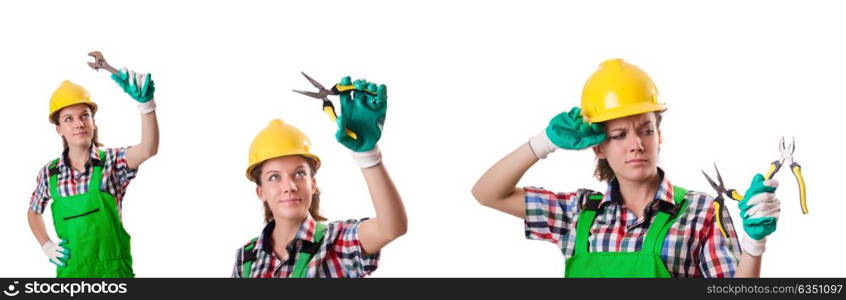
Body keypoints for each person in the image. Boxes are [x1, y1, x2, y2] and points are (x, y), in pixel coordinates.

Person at [472, 59, 780, 277]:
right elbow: (487, 193)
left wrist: (754, 245)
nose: (636, 144)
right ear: (599, 148)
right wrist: (543, 143)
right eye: (619, 135)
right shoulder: (576, 213)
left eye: (646, 130)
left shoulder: (701, 212)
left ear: (659, 136)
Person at [233, 76, 407, 278]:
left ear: (312, 184)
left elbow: (391, 228)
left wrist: (368, 156)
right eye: (274, 177)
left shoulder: (337, 242)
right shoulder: (246, 258)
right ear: (260, 191)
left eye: (299, 174)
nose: (289, 186)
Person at [27, 68, 160, 277]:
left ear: (93, 122)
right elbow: (34, 212)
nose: (79, 123)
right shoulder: (49, 174)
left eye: (84, 116)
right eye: (68, 119)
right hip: (72, 275)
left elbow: (148, 149)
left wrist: (147, 106)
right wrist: (46, 244)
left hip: (114, 274)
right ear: (59, 129)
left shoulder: (112, 163)